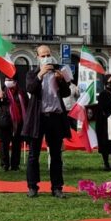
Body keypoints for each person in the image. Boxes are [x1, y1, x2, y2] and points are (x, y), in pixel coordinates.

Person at [23, 46, 72, 198]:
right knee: (33, 154)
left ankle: (57, 187)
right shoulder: (32, 73)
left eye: (48, 55)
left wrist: (61, 80)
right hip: (38, 118)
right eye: (43, 55)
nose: (46, 58)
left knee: (56, 154)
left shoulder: (57, 72)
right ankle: (32, 187)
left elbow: (66, 93)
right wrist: (40, 75)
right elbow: (30, 88)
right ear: (37, 57)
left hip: (55, 117)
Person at [0, 71, 27, 171]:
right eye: (6, 80)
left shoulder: (21, 92)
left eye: (10, 80)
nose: (7, 82)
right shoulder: (2, 91)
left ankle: (15, 165)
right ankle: (4, 164)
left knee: (16, 145)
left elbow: (26, 106)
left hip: (18, 122)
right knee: (3, 144)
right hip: (4, 122)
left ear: (15, 81)